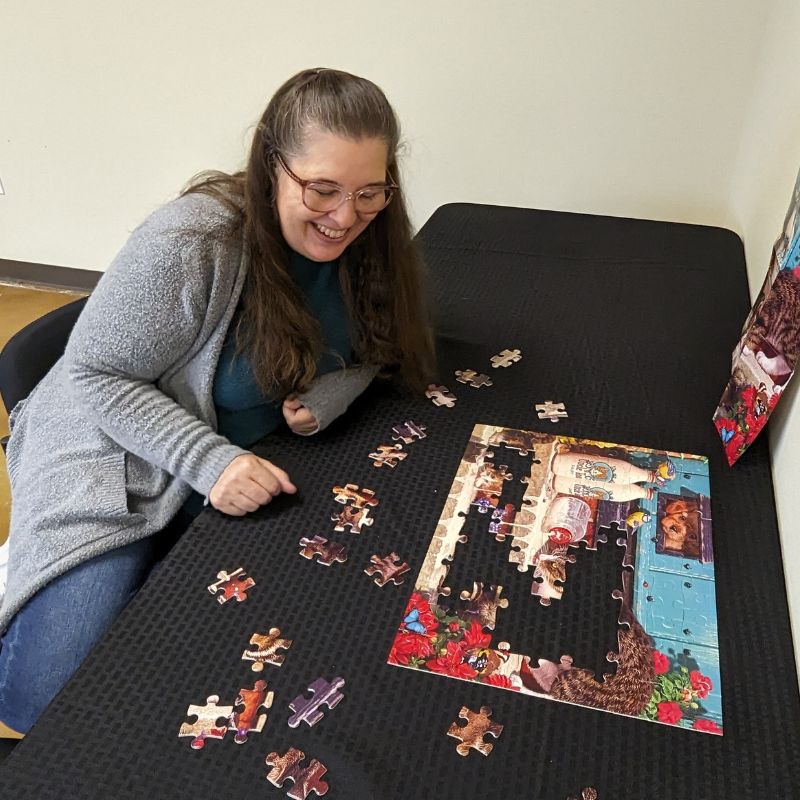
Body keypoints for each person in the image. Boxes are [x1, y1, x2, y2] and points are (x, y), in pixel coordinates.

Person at [0, 67, 435, 733]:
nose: (346, 216)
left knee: (264, 654)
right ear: (271, 166)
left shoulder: (370, 233)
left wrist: (330, 392)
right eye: (322, 189)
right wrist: (213, 462)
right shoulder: (192, 240)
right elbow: (95, 374)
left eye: (368, 191)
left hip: (253, 464)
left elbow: (377, 346)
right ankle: (30, 569)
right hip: (120, 450)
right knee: (43, 697)